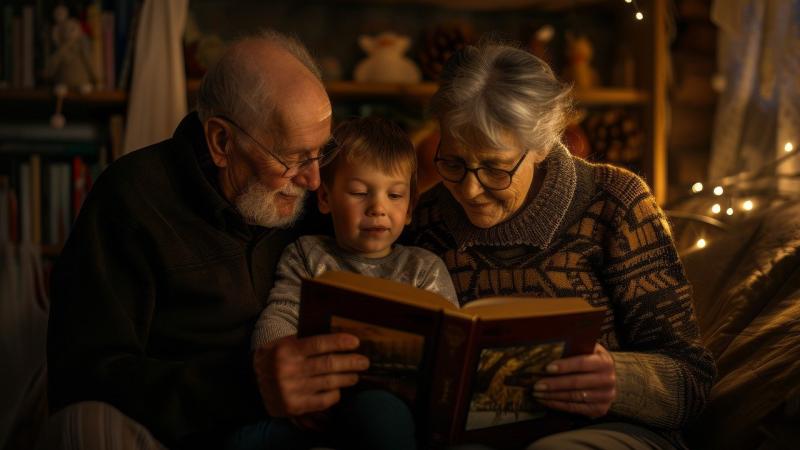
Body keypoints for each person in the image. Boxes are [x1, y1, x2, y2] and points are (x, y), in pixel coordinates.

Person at [41, 30, 369, 450]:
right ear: (221, 142)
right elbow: (83, 376)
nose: (313, 179)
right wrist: (246, 386)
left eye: (320, 152)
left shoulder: (307, 195)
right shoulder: (132, 198)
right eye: (292, 158)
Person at [407, 42, 716, 450]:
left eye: (496, 168)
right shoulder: (423, 218)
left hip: (610, 430)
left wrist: (620, 380)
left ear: (542, 145)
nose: (470, 189)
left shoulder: (616, 202)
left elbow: (692, 383)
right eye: (453, 161)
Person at [231, 116, 457, 449]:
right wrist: (287, 369)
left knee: (378, 414)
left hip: (397, 408)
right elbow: (278, 318)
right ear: (325, 198)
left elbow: (450, 345)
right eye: (359, 192)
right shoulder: (308, 255)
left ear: (410, 208)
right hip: (323, 402)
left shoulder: (423, 268)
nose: (377, 208)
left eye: (395, 195)